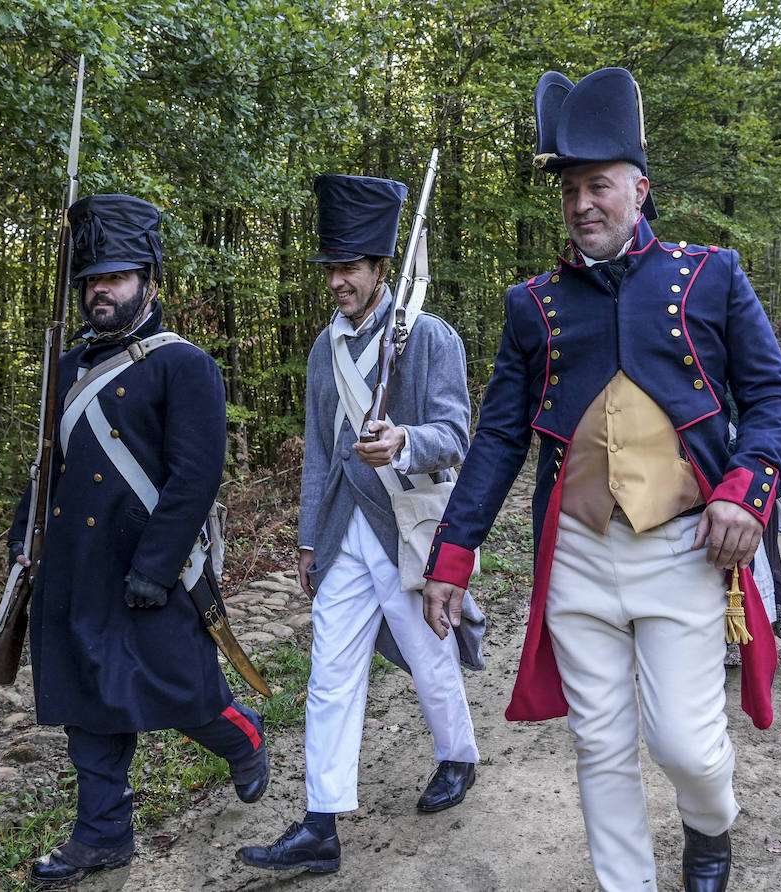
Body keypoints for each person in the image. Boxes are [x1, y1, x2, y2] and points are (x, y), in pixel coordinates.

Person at [421, 68, 781, 892]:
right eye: (570, 190)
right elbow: (496, 438)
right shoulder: (532, 305)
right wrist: (453, 554)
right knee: (600, 743)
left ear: (640, 189)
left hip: (686, 553)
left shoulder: (714, 275)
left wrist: (747, 487)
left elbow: (775, 398)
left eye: (599, 185)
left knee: (687, 748)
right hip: (580, 562)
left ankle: (709, 829)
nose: (582, 203)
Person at [7, 194, 269, 888]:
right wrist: (21, 543)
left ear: (148, 281)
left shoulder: (184, 366)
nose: (101, 290)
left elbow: (195, 477)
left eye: (116, 277)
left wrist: (154, 566)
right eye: (92, 280)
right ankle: (102, 836)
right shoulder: (65, 369)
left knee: (184, 692)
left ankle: (243, 739)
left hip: (153, 567)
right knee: (85, 707)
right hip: (76, 569)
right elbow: (47, 466)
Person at [238, 174, 480, 875]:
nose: (338, 281)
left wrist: (404, 439)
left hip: (405, 525)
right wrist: (309, 539)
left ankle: (458, 755)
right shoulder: (323, 349)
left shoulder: (427, 336)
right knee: (331, 673)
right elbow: (319, 452)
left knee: (429, 656)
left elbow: (457, 434)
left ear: (380, 268)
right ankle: (321, 821)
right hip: (345, 529)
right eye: (331, 269)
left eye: (350, 268)